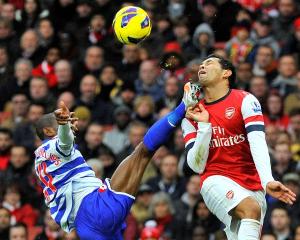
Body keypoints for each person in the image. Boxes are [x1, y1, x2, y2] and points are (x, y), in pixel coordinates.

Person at [34, 81, 200, 239]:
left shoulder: (39, 161)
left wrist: (64, 126)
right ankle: (184, 106)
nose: (70, 122)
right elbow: (64, 142)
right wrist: (63, 126)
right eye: (62, 121)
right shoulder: (51, 146)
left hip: (85, 228)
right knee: (142, 153)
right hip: (94, 207)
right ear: (48, 130)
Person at [181, 54, 296, 239]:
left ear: (226, 73)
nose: (201, 66)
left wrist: (266, 181)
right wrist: (204, 126)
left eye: (209, 63)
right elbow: (196, 166)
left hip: (253, 185)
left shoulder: (245, 100)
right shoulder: (191, 114)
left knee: (248, 220)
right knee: (250, 208)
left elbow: (258, 142)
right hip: (214, 179)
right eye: (200, 64)